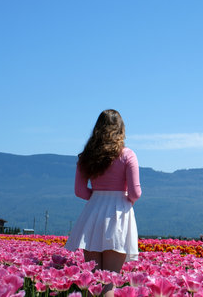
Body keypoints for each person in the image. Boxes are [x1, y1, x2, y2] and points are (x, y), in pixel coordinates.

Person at [65, 109, 142, 296]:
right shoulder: (127, 155)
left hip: (92, 214)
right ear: (120, 129)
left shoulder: (86, 157)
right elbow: (135, 192)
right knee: (109, 283)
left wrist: (98, 195)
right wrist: (125, 200)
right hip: (118, 215)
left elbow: (80, 191)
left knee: (93, 283)